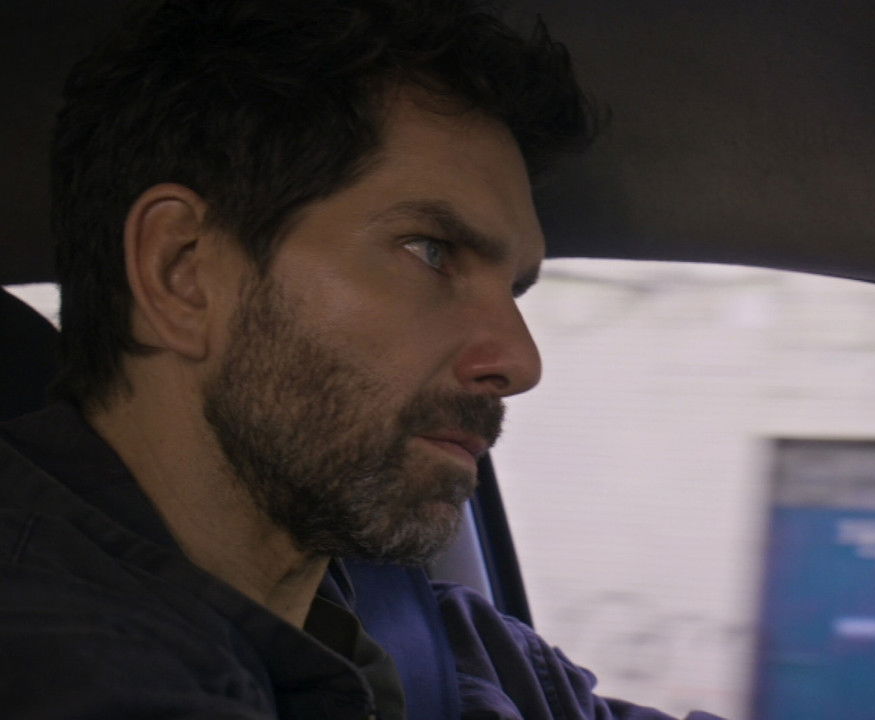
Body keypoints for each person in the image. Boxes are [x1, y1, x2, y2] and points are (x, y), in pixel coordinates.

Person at [0, 1, 724, 718]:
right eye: (430, 251)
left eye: (514, 289)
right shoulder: (55, 659)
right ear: (182, 272)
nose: (519, 362)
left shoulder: (438, 642)